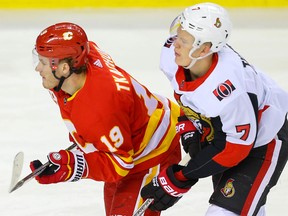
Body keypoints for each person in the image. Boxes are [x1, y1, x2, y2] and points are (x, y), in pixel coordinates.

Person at [141, 2, 288, 216]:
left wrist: (183, 176)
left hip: (265, 139)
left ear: (205, 49)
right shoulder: (176, 58)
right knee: (243, 209)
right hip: (231, 132)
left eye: (183, 40)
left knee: (224, 212)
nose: (175, 44)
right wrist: (191, 133)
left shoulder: (228, 89)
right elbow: (188, 96)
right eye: (178, 34)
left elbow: (234, 149)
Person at [30, 22, 182, 216]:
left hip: (155, 151)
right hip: (134, 129)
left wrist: (73, 166)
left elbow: (120, 164)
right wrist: (81, 147)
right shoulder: (82, 59)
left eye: (43, 62)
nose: (37, 68)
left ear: (65, 68)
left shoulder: (100, 107)